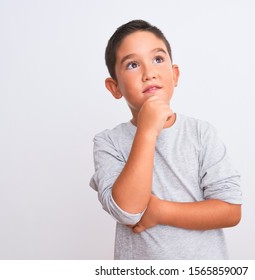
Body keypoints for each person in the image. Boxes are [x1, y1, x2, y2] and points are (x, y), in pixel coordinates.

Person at [90, 19, 242, 260]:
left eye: (158, 59)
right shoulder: (109, 142)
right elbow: (127, 211)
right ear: (114, 87)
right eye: (132, 65)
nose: (149, 73)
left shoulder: (201, 133)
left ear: (175, 75)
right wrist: (147, 131)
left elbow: (230, 211)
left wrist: (161, 211)